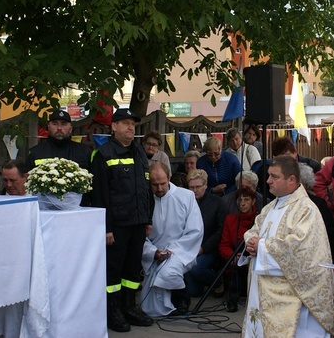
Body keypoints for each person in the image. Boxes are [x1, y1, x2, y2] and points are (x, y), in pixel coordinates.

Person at [240, 155, 334, 337]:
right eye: (268, 175)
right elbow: (254, 230)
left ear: (291, 179)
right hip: (263, 288)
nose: (267, 181)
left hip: (292, 294)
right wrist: (251, 243)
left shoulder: (306, 210)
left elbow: (300, 249)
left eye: (274, 176)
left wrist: (261, 246)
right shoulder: (270, 207)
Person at [88, 107, 153, 333]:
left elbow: (146, 189)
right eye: (125, 123)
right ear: (113, 127)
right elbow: (100, 195)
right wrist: (106, 228)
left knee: (133, 270)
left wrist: (147, 219)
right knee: (113, 272)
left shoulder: (140, 153)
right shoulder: (103, 154)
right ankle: (112, 311)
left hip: (137, 223)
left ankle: (129, 307)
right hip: (117, 225)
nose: (130, 127)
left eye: (133, 124)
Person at [141, 162, 204, 316]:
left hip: (180, 251)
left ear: (169, 177)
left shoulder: (186, 196)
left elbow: (195, 230)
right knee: (148, 307)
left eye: (162, 183)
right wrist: (153, 252)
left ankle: (182, 297)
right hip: (154, 254)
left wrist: (173, 251)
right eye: (155, 185)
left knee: (168, 273)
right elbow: (138, 235)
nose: (160, 189)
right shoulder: (143, 200)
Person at [184, 169, 226, 300]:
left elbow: (220, 230)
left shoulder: (217, 203)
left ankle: (218, 280)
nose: (195, 190)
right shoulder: (185, 203)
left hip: (210, 248)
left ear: (206, 185)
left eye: (198, 187)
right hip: (189, 248)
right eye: (191, 187)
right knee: (193, 292)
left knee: (195, 269)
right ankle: (204, 281)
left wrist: (203, 248)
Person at [219, 187, 258, 313]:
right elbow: (224, 244)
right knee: (234, 268)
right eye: (240, 200)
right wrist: (232, 256)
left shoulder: (259, 220)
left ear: (253, 201)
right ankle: (232, 301)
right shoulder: (230, 219)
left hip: (252, 256)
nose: (243, 203)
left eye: (246, 200)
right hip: (235, 257)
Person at [26, 109, 91, 173]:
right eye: (55, 124)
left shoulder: (84, 151)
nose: (59, 128)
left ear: (70, 129)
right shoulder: (36, 152)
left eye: (63, 124)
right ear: (48, 127)